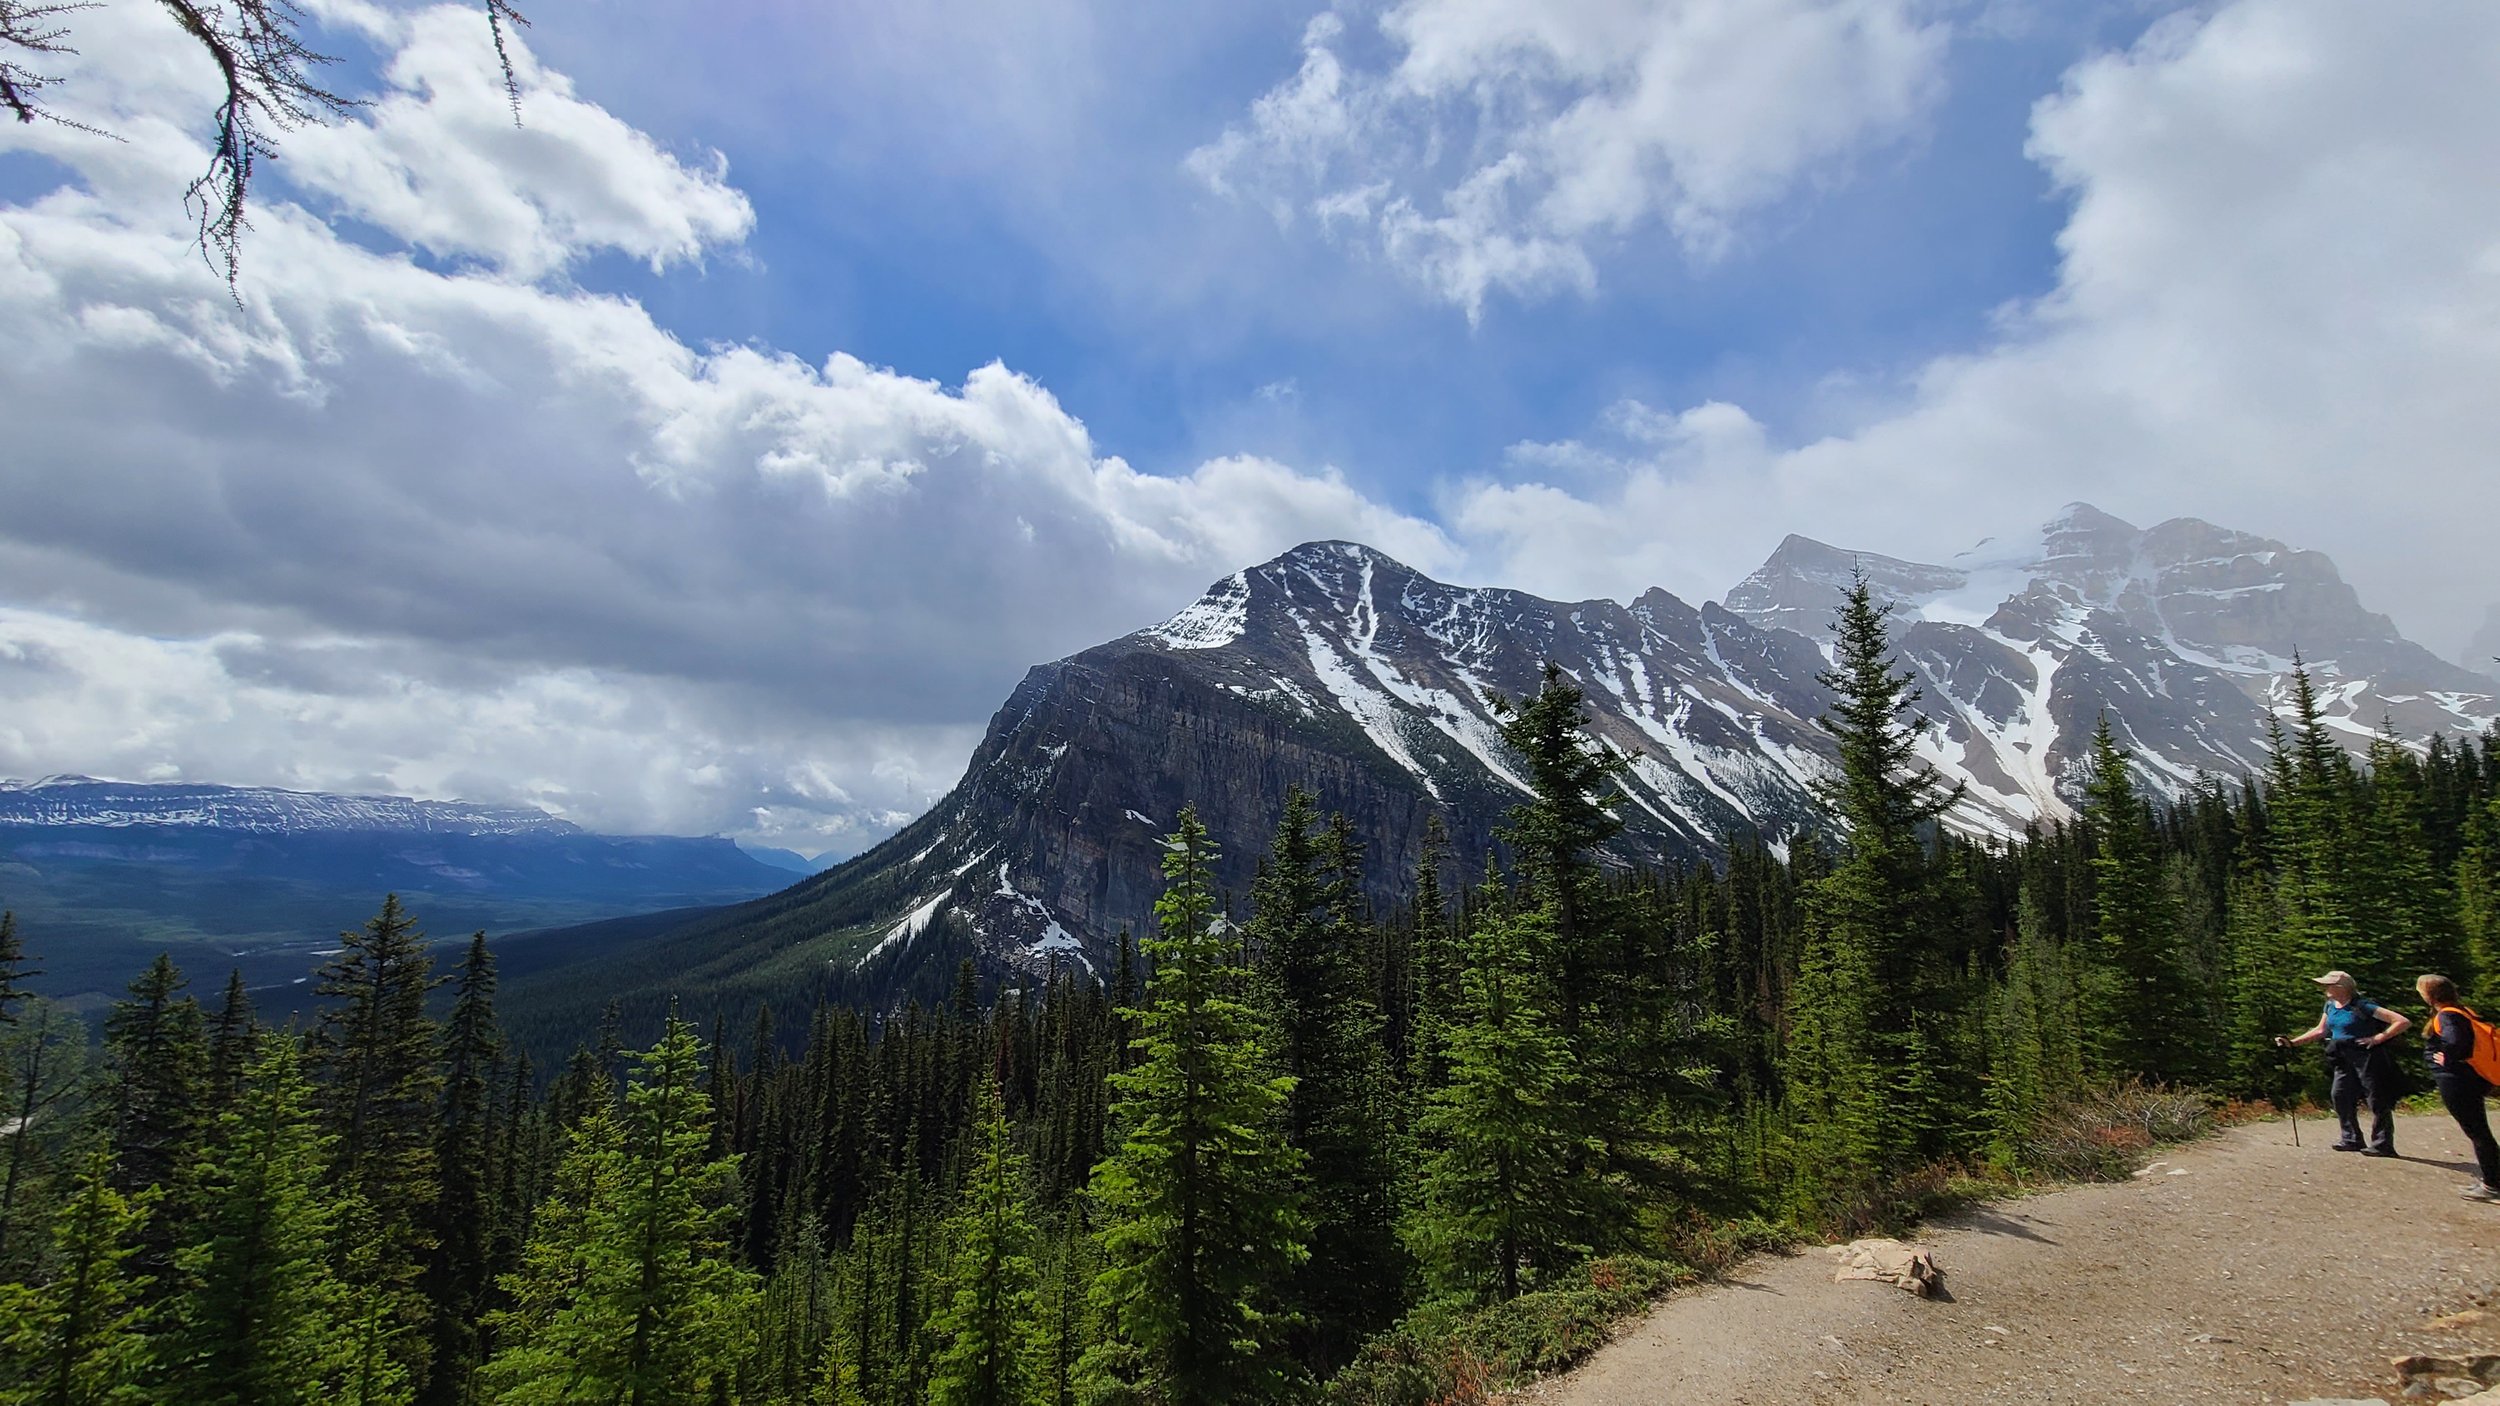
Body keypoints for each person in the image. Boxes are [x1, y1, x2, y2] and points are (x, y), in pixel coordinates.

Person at [2274, 970, 2410, 1156]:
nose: (2325, 988)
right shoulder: (2330, 1006)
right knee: (2340, 1095)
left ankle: (2383, 1144)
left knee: (2376, 1098)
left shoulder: (2363, 1006)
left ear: (2342, 987)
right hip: (2342, 1056)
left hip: (2366, 1056)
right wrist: (2293, 1043)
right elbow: (2321, 1030)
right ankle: (2351, 1138)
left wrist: (2378, 1038)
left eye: (2329, 985)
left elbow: (2401, 1021)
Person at [2415, 974, 2500, 1202]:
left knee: (2477, 1132)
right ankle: (2493, 1180)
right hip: (2471, 1078)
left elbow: (2456, 1042)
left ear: (2430, 996)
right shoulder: (2462, 1011)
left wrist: (2446, 1058)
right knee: (2479, 1131)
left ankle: (2493, 1185)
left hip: (2457, 1081)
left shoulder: (2447, 1016)